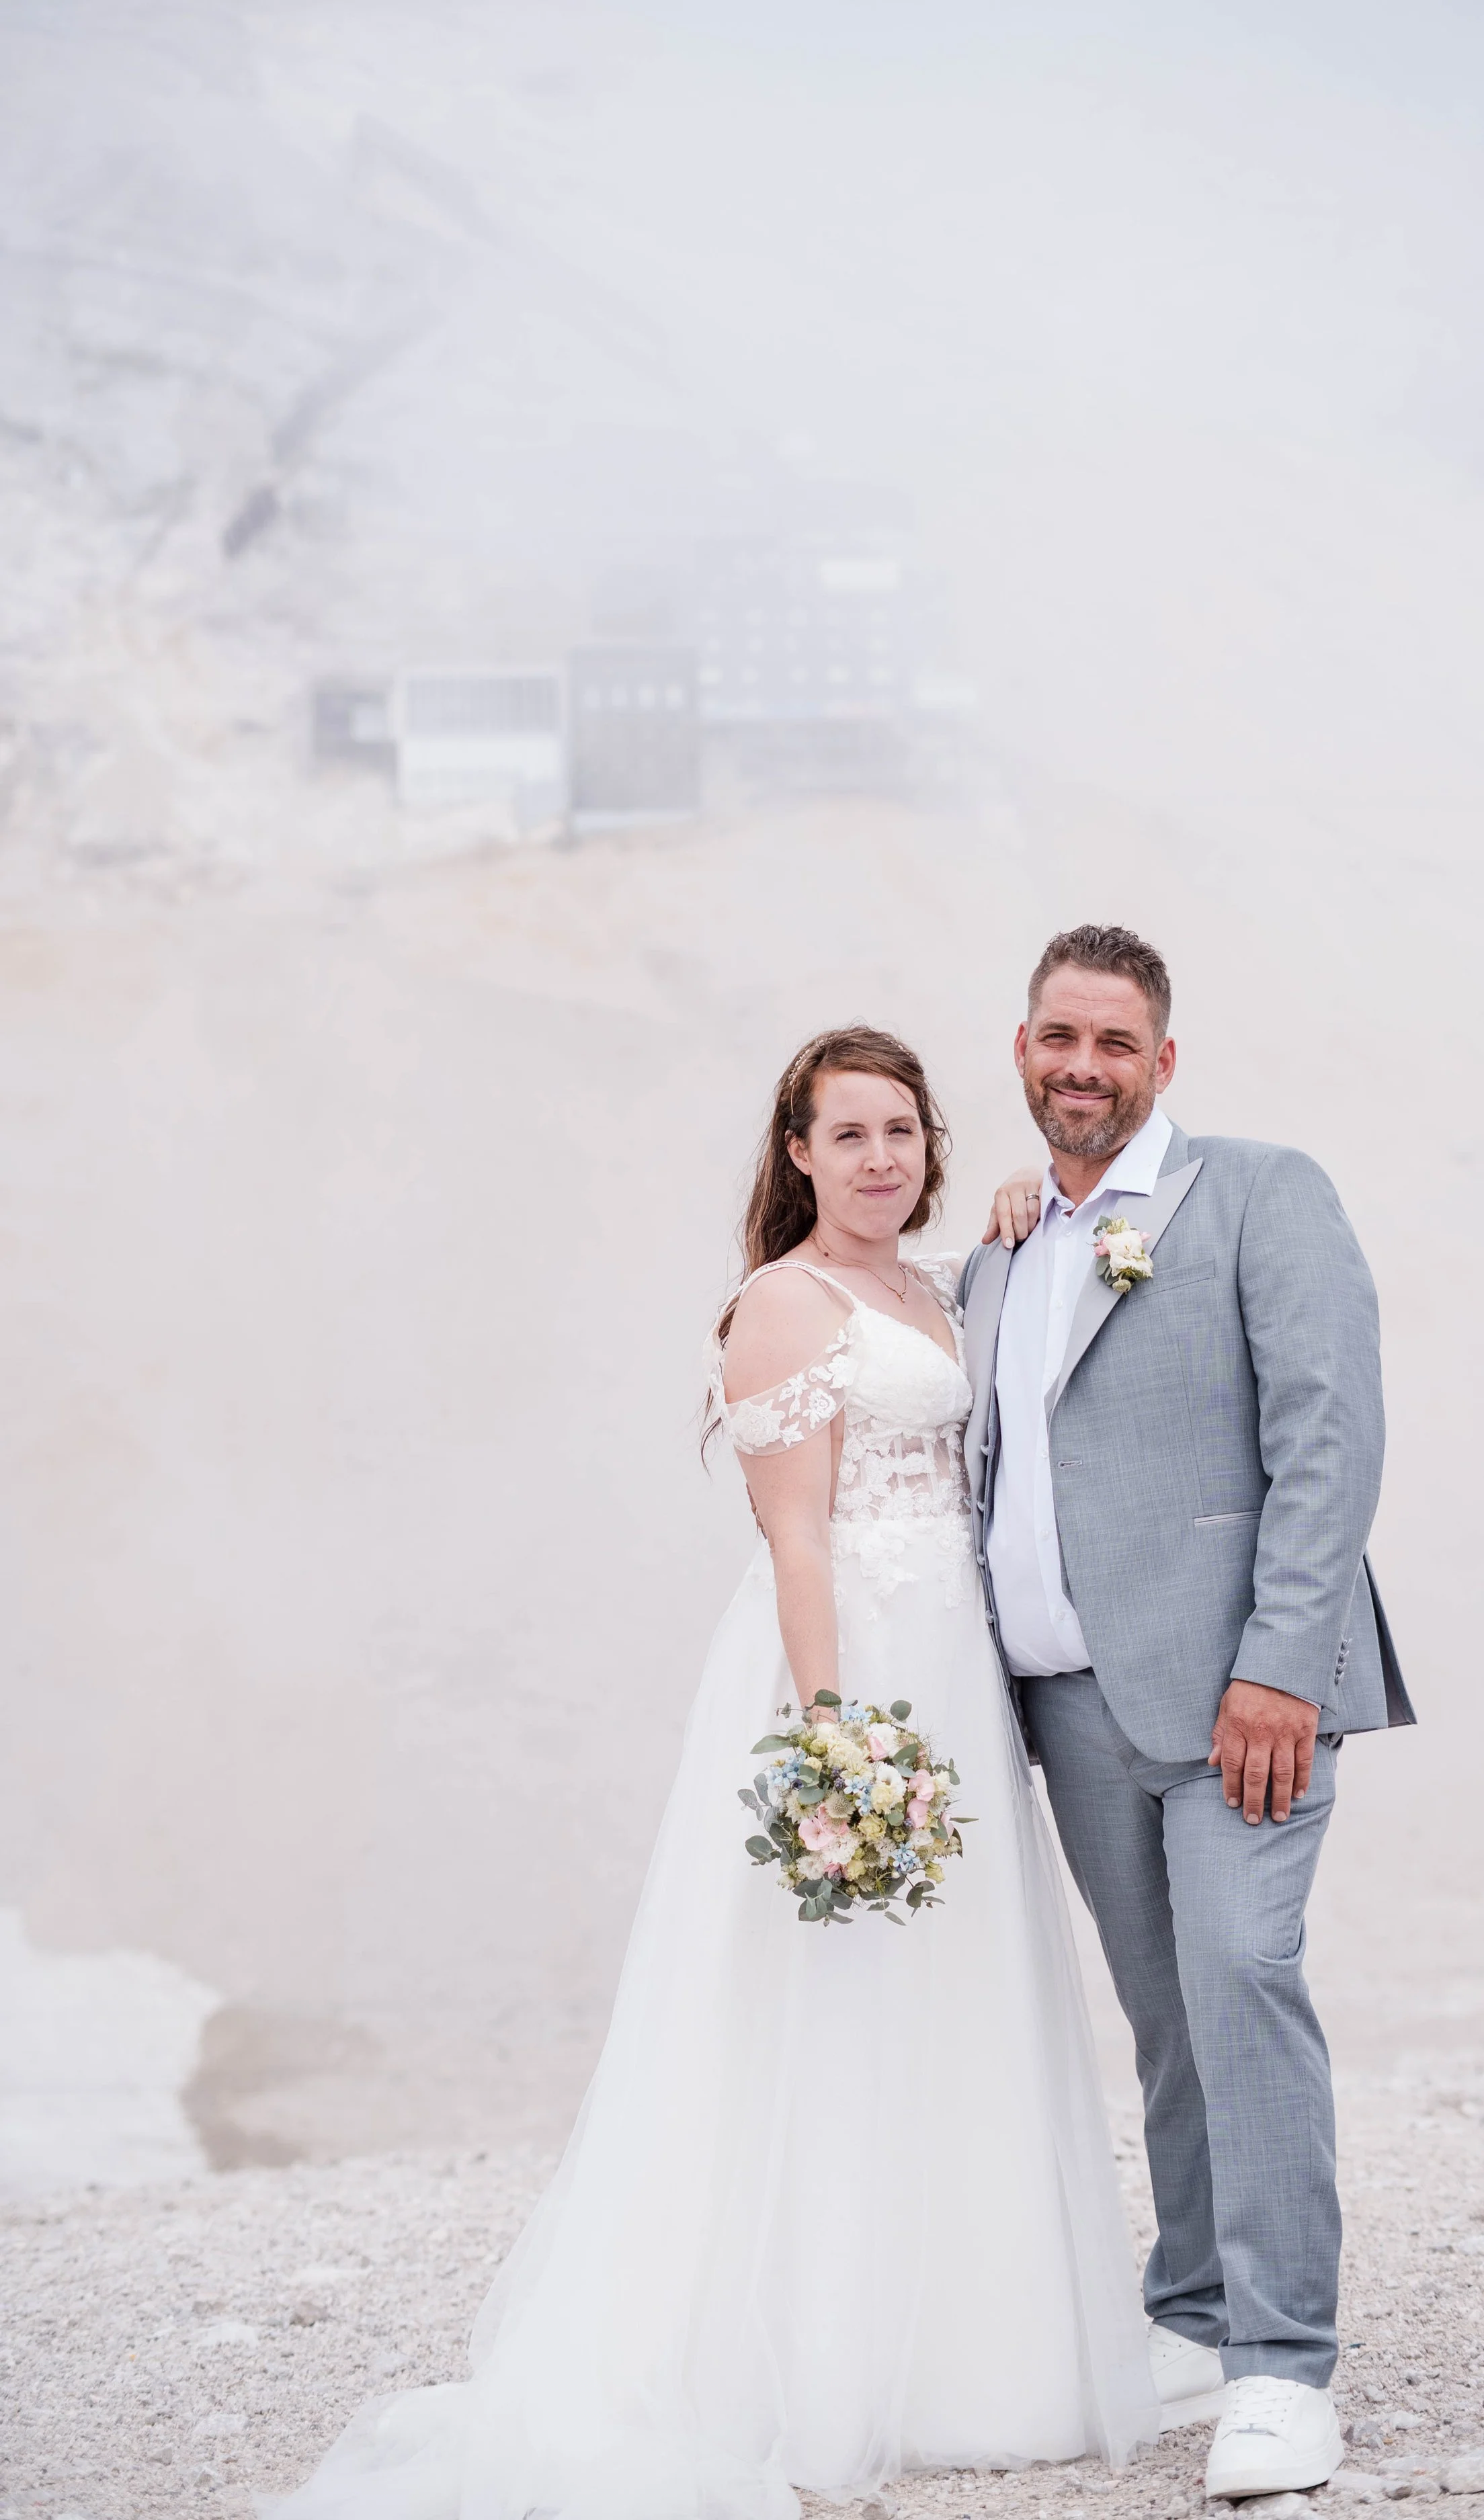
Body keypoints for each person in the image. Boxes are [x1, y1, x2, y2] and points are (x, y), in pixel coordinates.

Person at [263, 1024, 1157, 2520]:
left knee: (951, 1985)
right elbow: (795, 1535)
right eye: (848, 1134)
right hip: (854, 1672)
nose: (880, 1158)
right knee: (821, 2003)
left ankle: (962, 2351)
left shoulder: (929, 1288)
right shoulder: (781, 1305)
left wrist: (1016, 1198)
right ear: (796, 1154)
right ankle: (803, 2363)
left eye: (901, 1132)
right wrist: (838, 1741)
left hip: (955, 1664)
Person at [964, 923, 1411, 2501]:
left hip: (1243, 1695)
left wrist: (1282, 1662)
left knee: (1240, 1976)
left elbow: (1326, 1432)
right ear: (1019, 1053)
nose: (1079, 1065)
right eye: (1053, 1038)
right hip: (1069, 1706)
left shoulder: (1256, 1193)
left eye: (1112, 1042)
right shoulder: (1000, 1252)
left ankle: (1284, 2369)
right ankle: (1195, 2312)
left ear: (1161, 1062)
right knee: (1163, 2016)